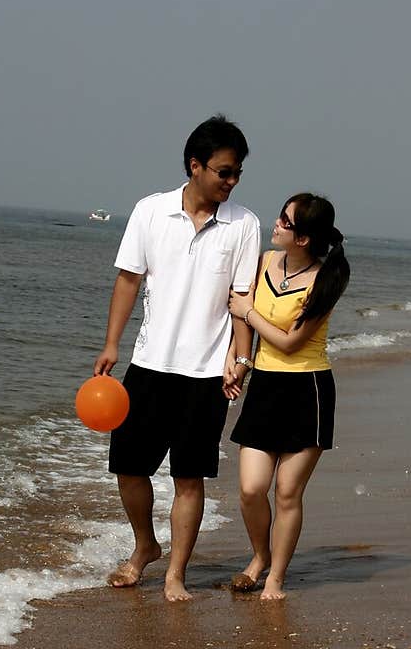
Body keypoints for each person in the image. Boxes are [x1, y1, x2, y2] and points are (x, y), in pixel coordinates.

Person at [93, 115, 260, 601]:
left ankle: (175, 574)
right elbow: (129, 279)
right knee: (128, 466)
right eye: (224, 172)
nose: (231, 182)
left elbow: (242, 301)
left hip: (207, 374)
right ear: (195, 166)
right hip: (148, 365)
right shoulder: (150, 211)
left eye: (237, 174)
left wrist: (240, 359)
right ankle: (145, 545)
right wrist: (111, 344)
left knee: (190, 477)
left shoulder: (244, 224)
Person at [227, 193, 351, 601]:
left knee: (286, 492)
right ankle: (260, 557)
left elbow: (291, 342)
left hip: (307, 390)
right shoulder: (263, 261)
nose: (276, 223)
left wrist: (249, 312)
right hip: (264, 386)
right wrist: (238, 358)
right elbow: (239, 317)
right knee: (250, 488)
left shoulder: (324, 280)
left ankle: (275, 578)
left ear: (303, 239)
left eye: (285, 221)